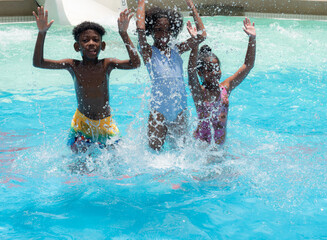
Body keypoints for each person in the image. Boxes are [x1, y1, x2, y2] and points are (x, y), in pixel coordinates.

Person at [32, 6, 141, 153]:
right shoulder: (73, 65)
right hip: (82, 123)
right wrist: (42, 33)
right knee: (80, 164)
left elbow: (135, 63)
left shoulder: (107, 64)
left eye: (96, 40)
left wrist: (123, 33)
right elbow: (39, 63)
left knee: (115, 159)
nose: (91, 43)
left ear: (102, 45)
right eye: (85, 40)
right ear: (77, 46)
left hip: (105, 123)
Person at [136, 0, 206, 151]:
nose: (163, 34)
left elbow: (202, 36)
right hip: (159, 111)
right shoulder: (148, 52)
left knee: (182, 152)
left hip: (179, 109)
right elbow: (140, 31)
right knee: (154, 154)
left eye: (167, 30)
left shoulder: (176, 49)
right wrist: (141, 3)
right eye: (159, 29)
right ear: (152, 31)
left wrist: (192, 6)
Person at [187, 17, 256, 145]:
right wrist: (195, 44)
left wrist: (252, 39)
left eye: (217, 68)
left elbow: (248, 65)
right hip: (201, 147)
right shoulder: (199, 92)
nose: (214, 72)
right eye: (209, 70)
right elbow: (191, 71)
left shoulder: (225, 87)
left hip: (219, 147)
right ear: (200, 72)